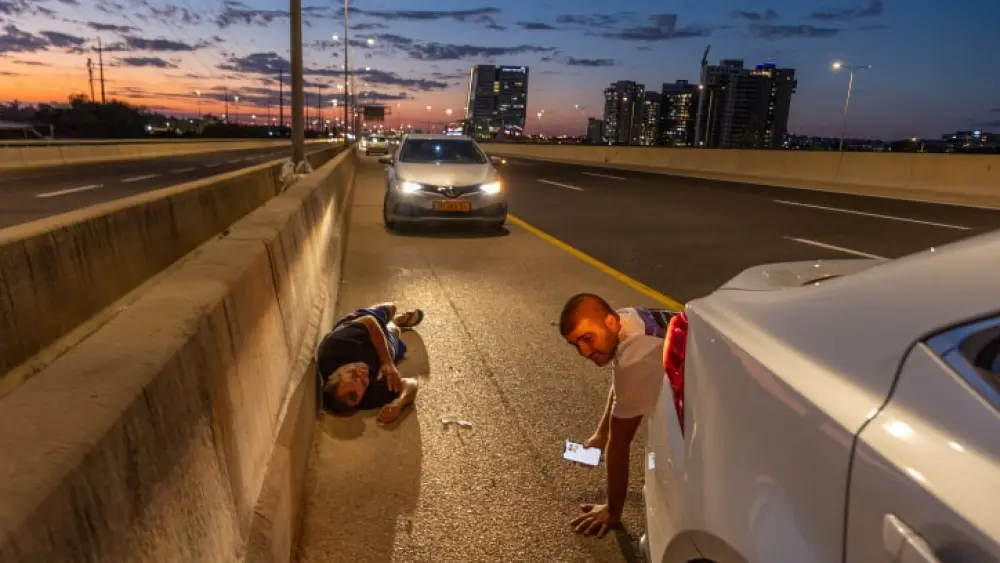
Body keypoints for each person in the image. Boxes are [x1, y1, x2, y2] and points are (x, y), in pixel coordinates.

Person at [558, 293, 670, 538]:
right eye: (576, 343)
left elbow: (620, 444)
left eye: (587, 339)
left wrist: (612, 510)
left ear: (609, 322)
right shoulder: (626, 318)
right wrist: (601, 433)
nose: (584, 352)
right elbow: (622, 381)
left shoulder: (636, 354)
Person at [317, 302, 424, 424]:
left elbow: (369, 322)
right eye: (363, 382)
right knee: (394, 330)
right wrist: (399, 403)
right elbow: (411, 384)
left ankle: (393, 317)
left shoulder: (335, 345)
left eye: (353, 374)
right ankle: (396, 322)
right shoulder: (365, 397)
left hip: (365, 326)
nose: (363, 373)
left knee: (392, 307)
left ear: (333, 374)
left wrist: (387, 362)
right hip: (387, 346)